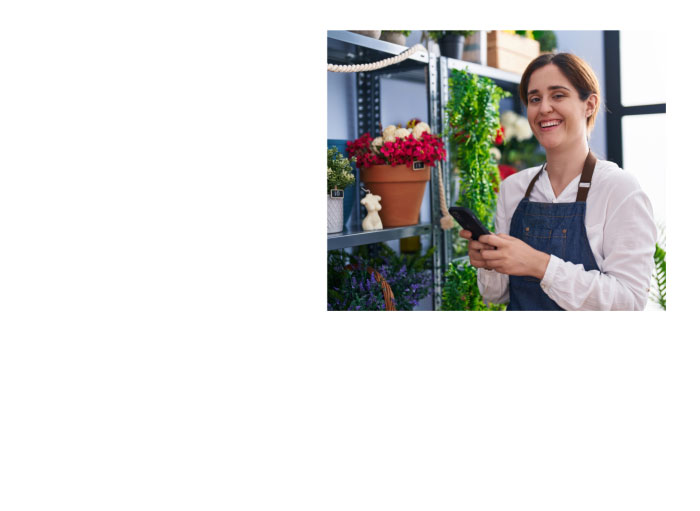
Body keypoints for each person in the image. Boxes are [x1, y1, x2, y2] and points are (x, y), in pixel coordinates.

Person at [459, 52, 656, 311]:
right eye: (534, 99)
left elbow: (629, 301)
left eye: (558, 95)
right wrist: (489, 262)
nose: (543, 108)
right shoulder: (514, 189)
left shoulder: (619, 189)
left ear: (590, 104)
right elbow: (497, 294)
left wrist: (538, 264)